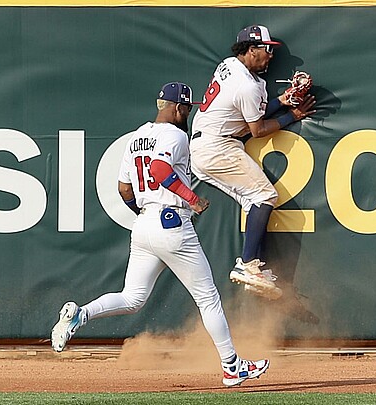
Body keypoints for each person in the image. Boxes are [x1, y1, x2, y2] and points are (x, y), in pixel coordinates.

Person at [51, 82, 269, 387]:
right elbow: (159, 169)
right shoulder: (175, 135)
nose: (189, 113)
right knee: (208, 300)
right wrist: (192, 199)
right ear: (177, 108)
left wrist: (145, 211)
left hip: (143, 225)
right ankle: (232, 367)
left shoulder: (137, 136)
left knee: (133, 297)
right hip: (172, 223)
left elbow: (125, 189)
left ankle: (80, 315)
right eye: (187, 108)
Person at [190, 25, 316, 300]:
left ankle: (254, 268)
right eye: (265, 49)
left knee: (253, 201)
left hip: (207, 145)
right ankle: (248, 265)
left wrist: (282, 100)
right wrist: (291, 115)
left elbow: (248, 112)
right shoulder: (247, 84)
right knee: (265, 195)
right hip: (217, 145)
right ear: (250, 50)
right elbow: (256, 129)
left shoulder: (230, 66)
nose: (270, 55)